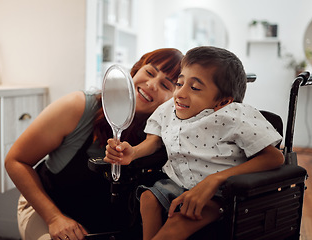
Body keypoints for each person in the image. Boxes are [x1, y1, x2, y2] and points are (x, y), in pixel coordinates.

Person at [104, 46, 285, 240]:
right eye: (179, 83)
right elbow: (154, 142)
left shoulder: (234, 115)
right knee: (148, 198)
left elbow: (275, 157)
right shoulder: (168, 109)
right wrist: (133, 153)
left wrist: (214, 181)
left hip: (222, 192)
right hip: (177, 182)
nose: (180, 93)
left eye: (195, 88)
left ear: (223, 102)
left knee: (179, 221)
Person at [4, 48, 183, 240]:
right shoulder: (78, 106)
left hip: (101, 221)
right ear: (135, 71)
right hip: (48, 207)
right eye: (149, 72)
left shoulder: (164, 135)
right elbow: (16, 161)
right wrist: (54, 218)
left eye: (165, 85)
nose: (151, 84)